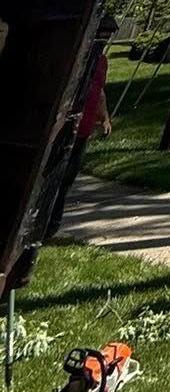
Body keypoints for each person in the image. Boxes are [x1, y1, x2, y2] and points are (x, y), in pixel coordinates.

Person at [45, 16, 114, 238]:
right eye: (101, 34)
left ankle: (52, 225)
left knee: (66, 179)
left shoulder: (101, 61)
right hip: (63, 129)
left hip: (82, 131)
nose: (104, 38)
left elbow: (100, 92)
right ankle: (40, 223)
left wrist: (105, 118)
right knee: (50, 176)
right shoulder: (76, 58)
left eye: (107, 35)